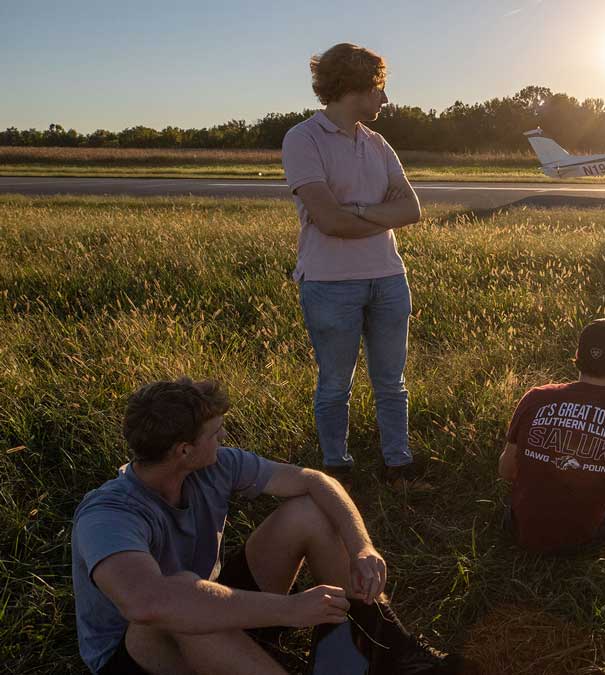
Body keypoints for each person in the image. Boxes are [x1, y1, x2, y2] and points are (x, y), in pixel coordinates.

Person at [71, 378, 464, 675]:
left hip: (213, 613)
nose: (224, 437)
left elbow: (315, 480)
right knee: (183, 602)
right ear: (184, 451)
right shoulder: (109, 515)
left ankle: (384, 649)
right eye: (215, 433)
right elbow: (149, 604)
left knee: (308, 512)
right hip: (141, 654)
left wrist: (362, 547)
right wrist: (290, 609)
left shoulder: (214, 466)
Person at [281, 42, 424, 489]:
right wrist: (372, 214)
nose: (385, 99)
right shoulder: (302, 138)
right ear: (356, 88)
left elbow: (412, 210)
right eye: (380, 89)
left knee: (392, 382)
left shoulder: (378, 143)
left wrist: (354, 211)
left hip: (388, 277)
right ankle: (335, 468)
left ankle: (397, 464)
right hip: (329, 282)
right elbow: (327, 220)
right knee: (335, 384)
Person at [497, 318, 605, 614]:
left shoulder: (536, 397)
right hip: (580, 538)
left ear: (577, 357)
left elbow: (506, 471)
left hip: (517, 530)